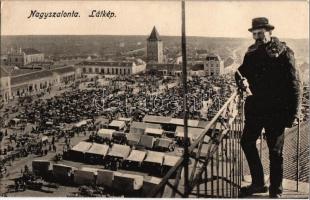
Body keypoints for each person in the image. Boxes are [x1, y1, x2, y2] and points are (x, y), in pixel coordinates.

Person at [236, 17, 302, 198]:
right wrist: (240, 81)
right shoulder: (251, 53)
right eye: (254, 34)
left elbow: (295, 83)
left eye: (261, 33)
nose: (257, 37)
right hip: (256, 109)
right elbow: (240, 72)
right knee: (247, 142)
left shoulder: (284, 52)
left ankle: (276, 191)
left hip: (276, 111)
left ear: (269, 32)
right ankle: (258, 183)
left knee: (275, 152)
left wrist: (294, 112)